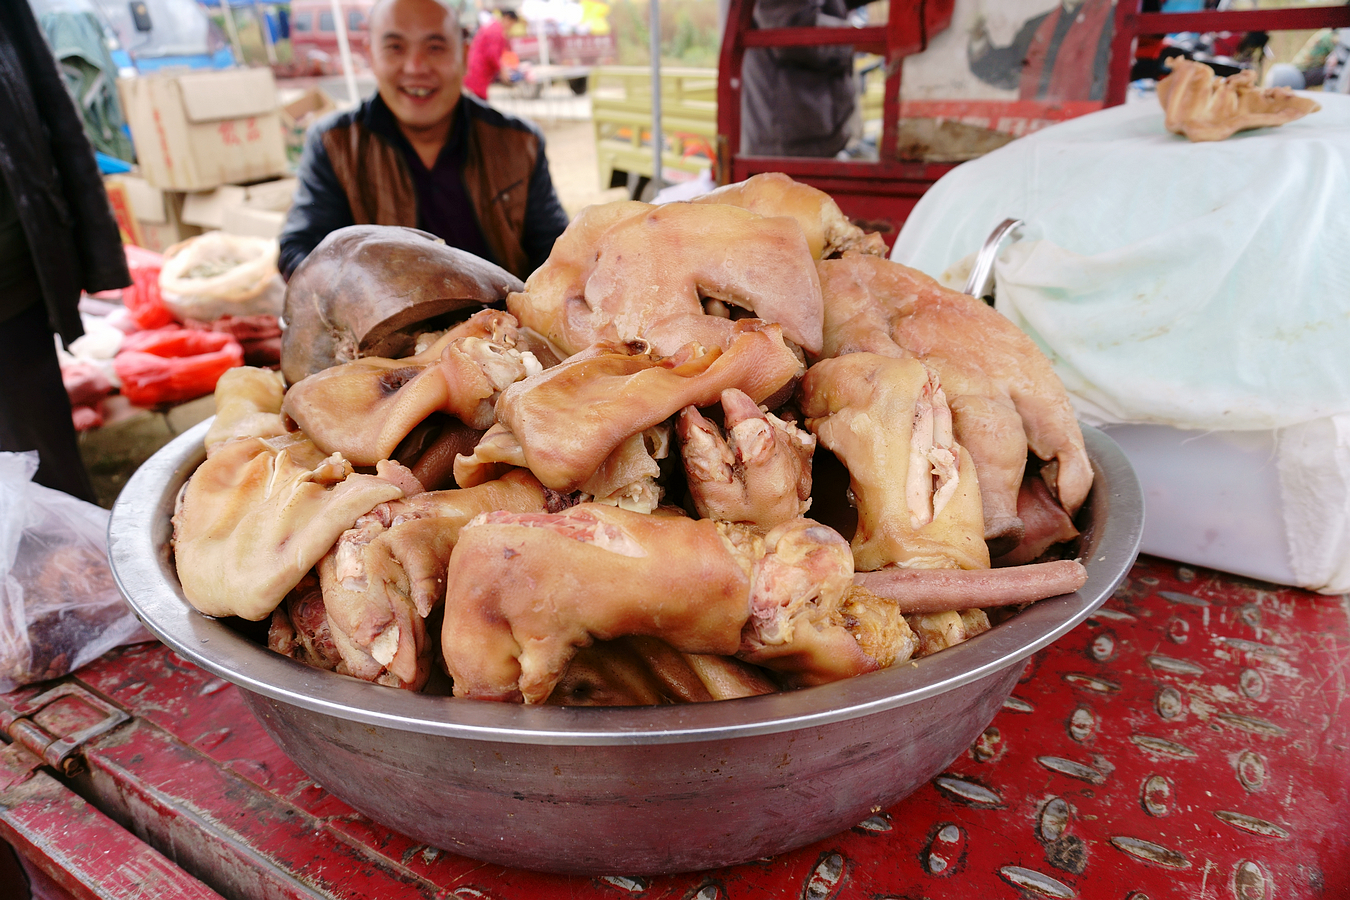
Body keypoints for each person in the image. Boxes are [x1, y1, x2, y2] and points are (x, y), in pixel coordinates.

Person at [278, 0, 569, 281]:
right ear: (370, 54)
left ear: (465, 54)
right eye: (395, 47)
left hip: (502, 327)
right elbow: (299, 251)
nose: (416, 67)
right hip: (379, 329)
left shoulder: (519, 143)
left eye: (435, 47)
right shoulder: (335, 144)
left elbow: (557, 253)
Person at [0, 1, 131, 504]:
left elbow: (51, 109)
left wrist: (94, 253)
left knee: (44, 461)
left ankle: (69, 570)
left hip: (12, 282)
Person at [734, 0, 873, 158]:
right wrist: (863, 39)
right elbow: (789, 23)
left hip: (813, 131)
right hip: (786, 136)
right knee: (780, 181)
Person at [967, 0, 1115, 103]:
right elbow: (1006, 74)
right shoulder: (1035, 28)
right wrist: (977, 35)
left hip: (1094, 136)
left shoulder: (1117, 23)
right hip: (1037, 135)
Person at [464, 8, 520, 99]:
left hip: (477, 70)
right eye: (512, 24)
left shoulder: (494, 27)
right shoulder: (496, 31)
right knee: (477, 100)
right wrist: (502, 71)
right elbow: (492, 55)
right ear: (507, 18)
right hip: (478, 71)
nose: (511, 27)